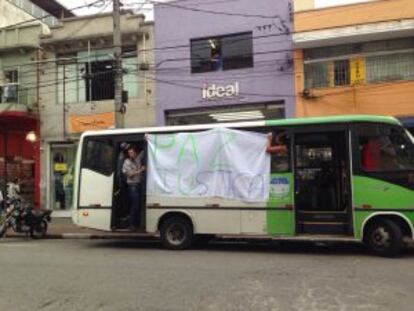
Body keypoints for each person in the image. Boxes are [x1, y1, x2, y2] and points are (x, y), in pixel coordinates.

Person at [122, 145, 145, 230]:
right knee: (135, 204)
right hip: (132, 186)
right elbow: (130, 175)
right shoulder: (126, 162)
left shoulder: (138, 158)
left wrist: (147, 138)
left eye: (131, 152)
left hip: (139, 185)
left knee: (139, 204)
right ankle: (131, 224)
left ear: (135, 153)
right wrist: (140, 170)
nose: (130, 154)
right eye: (129, 153)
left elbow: (144, 150)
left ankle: (137, 223)